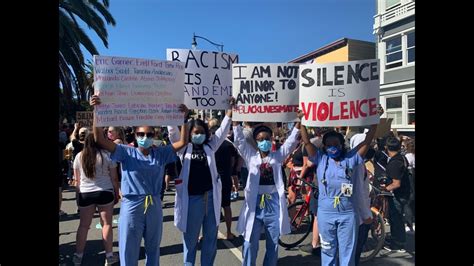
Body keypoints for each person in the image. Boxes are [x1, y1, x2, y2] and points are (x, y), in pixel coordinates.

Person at [90, 95, 189, 266]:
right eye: (141, 134)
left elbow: (183, 141)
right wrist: (96, 111)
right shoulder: (125, 152)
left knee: (153, 248)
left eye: (149, 134)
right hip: (132, 205)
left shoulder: (161, 153)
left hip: (154, 205)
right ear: (135, 135)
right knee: (129, 248)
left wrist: (184, 118)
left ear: (154, 135)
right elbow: (99, 139)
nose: (145, 136)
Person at [302, 107, 382, 266]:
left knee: (347, 252)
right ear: (324, 147)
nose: (333, 147)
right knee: (328, 251)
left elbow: (367, 142)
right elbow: (306, 142)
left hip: (347, 214)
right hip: (326, 213)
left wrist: (375, 120)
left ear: (341, 145)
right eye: (329, 144)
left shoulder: (351, 159)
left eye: (336, 144)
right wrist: (302, 122)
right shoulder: (320, 159)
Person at [167, 101, 233, 266]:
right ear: (189, 133)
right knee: (190, 241)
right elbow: (172, 133)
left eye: (202, 132)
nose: (199, 135)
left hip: (210, 199)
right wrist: (180, 117)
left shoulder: (211, 146)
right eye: (195, 132)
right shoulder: (184, 148)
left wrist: (229, 113)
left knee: (211, 239)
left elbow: (222, 131)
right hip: (192, 201)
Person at [233, 111, 302, 266]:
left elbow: (291, 142)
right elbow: (239, 142)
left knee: (273, 243)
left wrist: (299, 121)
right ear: (256, 142)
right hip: (255, 204)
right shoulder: (250, 156)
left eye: (266, 139)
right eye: (260, 139)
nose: (264, 141)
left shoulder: (278, 156)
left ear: (271, 140)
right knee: (250, 242)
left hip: (273, 204)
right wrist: (235, 119)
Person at [72, 133, 120, 266]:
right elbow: (114, 178)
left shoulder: (78, 157)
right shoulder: (107, 156)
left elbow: (77, 181)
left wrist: (79, 196)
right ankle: (109, 256)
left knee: (83, 225)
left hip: (86, 193)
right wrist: (117, 192)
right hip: (105, 192)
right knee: (107, 224)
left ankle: (78, 256)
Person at [381, 137, 412, 251]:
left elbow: (396, 183)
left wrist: (385, 189)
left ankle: (398, 244)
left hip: (398, 195)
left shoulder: (394, 163)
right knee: (396, 218)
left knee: (396, 219)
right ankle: (396, 239)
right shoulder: (402, 158)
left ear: (387, 148)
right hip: (405, 193)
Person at [212, 125, 239, 240]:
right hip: (226, 177)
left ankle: (214, 232)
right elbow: (233, 162)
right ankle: (229, 232)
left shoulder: (211, 145)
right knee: (227, 206)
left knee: (214, 208)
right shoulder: (229, 145)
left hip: (214, 179)